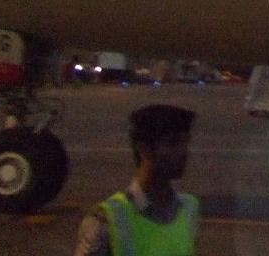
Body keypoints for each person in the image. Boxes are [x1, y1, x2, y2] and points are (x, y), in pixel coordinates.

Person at [74, 103, 199, 256]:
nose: (183, 152)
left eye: (185, 142)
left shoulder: (188, 208)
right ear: (144, 149)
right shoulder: (107, 219)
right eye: (172, 143)